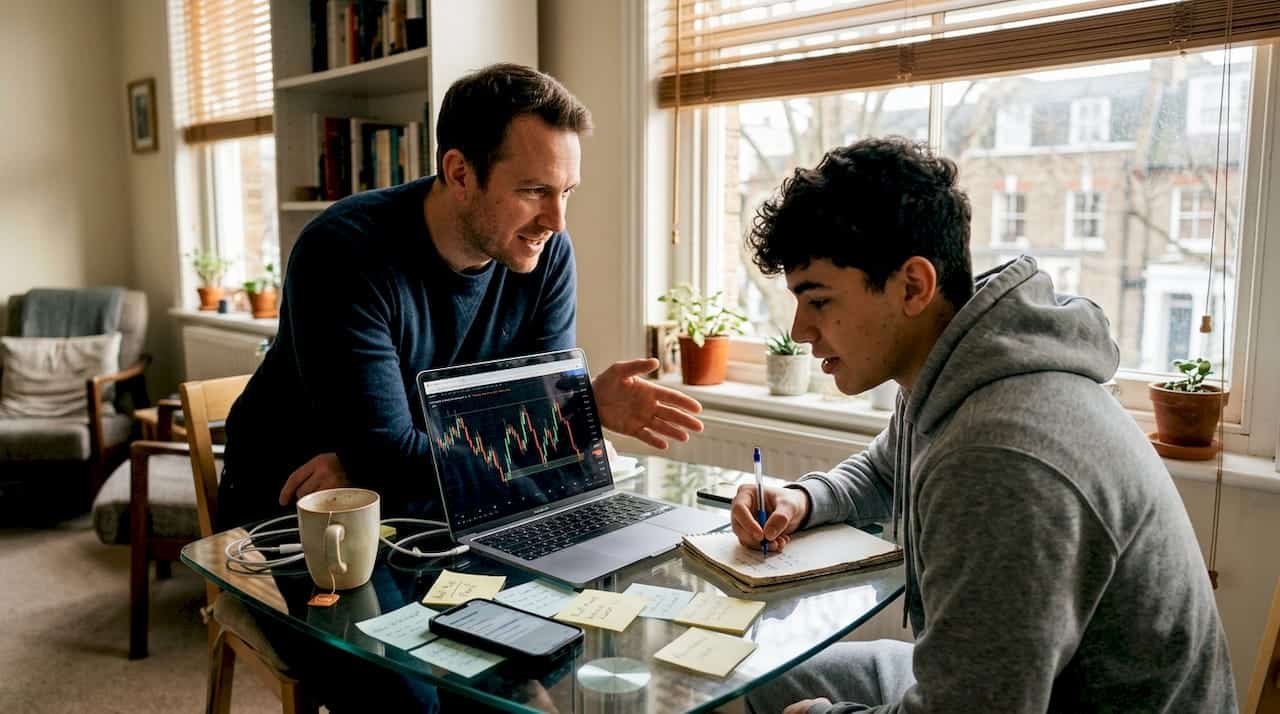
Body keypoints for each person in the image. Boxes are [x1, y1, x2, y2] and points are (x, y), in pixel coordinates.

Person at [219, 63, 702, 713]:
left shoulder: (545, 255)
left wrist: (561, 418)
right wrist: (383, 460)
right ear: (458, 173)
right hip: (305, 512)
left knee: (539, 661)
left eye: (567, 191)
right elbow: (394, 451)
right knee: (411, 697)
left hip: (435, 506)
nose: (556, 220)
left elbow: (518, 428)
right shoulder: (345, 252)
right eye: (533, 191)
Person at [731, 137, 1235, 713]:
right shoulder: (954, 365)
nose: (799, 330)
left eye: (817, 299)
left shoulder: (1001, 455)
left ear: (913, 286)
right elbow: (884, 468)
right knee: (765, 676)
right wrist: (804, 497)